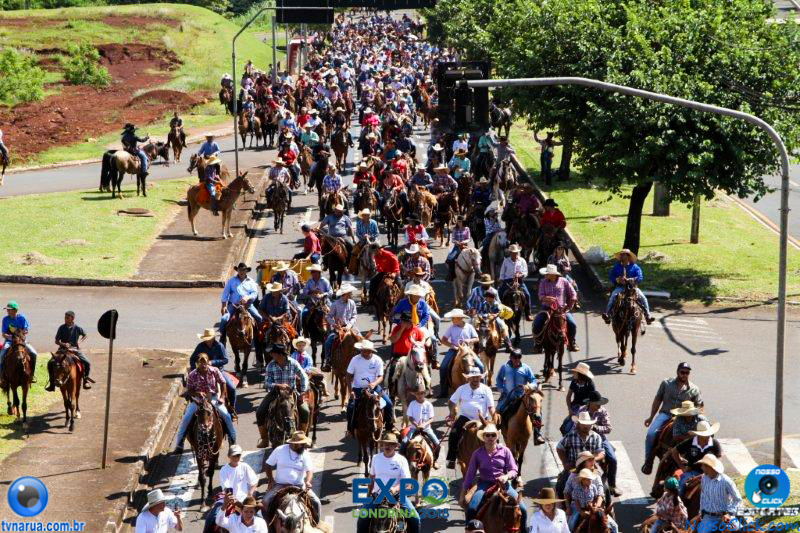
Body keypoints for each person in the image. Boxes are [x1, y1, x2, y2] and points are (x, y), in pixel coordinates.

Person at [642, 362, 703, 474]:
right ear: (677, 372)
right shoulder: (666, 383)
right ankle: (648, 461)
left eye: (687, 373)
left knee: (698, 437)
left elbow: (699, 407)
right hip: (666, 414)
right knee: (651, 434)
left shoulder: (694, 389)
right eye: (682, 372)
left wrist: (700, 422)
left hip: (684, 416)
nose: (684, 375)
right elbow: (658, 399)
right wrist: (651, 417)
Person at [461, 423, 527, 525]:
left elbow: (514, 469)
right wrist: (463, 492)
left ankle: (523, 531)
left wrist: (506, 476)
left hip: (504, 485)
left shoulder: (505, 451)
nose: (490, 437)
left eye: (493, 435)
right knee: (472, 508)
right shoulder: (477, 454)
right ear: (483, 437)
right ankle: (469, 530)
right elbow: (470, 474)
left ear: (497, 436)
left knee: (523, 508)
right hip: (484, 485)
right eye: (487, 435)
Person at [356, 432, 419, 533]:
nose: (387, 446)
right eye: (385, 444)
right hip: (377, 496)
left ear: (395, 446)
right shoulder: (376, 458)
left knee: (415, 519)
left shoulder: (401, 460)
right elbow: (372, 477)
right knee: (362, 519)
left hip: (397, 496)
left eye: (390, 444)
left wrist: (395, 489)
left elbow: (407, 482)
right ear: (382, 445)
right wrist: (369, 494)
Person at [174, 354, 236, 454]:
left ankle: (232, 440)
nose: (203, 365)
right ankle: (179, 443)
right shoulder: (192, 375)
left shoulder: (214, 371)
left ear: (207, 362)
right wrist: (197, 393)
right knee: (186, 418)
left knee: (227, 416)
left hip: (213, 399)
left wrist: (222, 397)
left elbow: (223, 382)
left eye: (205, 363)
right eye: (201, 363)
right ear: (197, 364)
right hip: (198, 401)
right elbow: (189, 390)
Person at [256, 343, 309, 448]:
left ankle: (302, 437)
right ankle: (264, 439)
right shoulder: (271, 365)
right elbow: (266, 383)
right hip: (275, 393)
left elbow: (304, 377)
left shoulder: (293, 363)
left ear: (280, 354)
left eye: (273, 353)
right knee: (260, 412)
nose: (271, 355)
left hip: (291, 393)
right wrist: (277, 385)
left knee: (305, 411)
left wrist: (302, 392)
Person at [262, 431, 321, 522]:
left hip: (299, 485)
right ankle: (267, 526)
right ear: (293, 443)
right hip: (280, 485)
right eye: (300, 444)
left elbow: (309, 470)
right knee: (265, 502)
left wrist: (308, 481)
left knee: (316, 502)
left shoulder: (304, 454)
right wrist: (271, 480)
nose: (302, 446)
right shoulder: (280, 450)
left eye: (303, 444)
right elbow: (268, 465)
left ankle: (316, 524)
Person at [446, 367, 495, 469]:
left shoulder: (486, 389)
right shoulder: (462, 389)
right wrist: (452, 412)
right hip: (465, 417)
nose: (475, 380)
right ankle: (452, 458)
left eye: (477, 377)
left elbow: (491, 407)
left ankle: (496, 458)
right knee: (454, 433)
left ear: (480, 378)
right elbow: (451, 402)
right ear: (469, 378)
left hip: (482, 419)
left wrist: (494, 415)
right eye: (473, 378)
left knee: (493, 435)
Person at [577, 391, 621, 496]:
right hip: (584, 439)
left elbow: (608, 428)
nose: (599, 406)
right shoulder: (582, 411)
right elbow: (576, 426)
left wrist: (595, 428)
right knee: (575, 458)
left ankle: (612, 485)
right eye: (597, 404)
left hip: (601, 439)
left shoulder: (602, 411)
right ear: (591, 403)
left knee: (613, 459)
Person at [346, 339, 395, 434]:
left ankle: (389, 427)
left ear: (371, 351)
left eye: (366, 351)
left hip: (374, 387)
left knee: (388, 403)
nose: (364, 353)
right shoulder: (355, 359)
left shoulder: (377, 360)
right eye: (363, 350)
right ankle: (350, 428)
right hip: (358, 388)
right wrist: (350, 390)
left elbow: (381, 377)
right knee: (351, 407)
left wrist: (374, 383)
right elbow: (348, 376)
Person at [495, 349, 543, 444]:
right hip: (508, 396)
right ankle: (495, 434)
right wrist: (501, 389)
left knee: (537, 412)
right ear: (510, 357)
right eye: (514, 357)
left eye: (519, 357)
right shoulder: (504, 367)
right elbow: (499, 379)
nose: (517, 359)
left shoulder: (525, 368)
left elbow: (534, 380)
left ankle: (537, 435)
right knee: (498, 411)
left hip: (522, 396)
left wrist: (529, 386)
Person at [555, 411, 604, 498]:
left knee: (603, 487)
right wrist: (565, 462)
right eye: (584, 425)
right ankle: (563, 506)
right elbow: (560, 448)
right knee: (561, 487)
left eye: (588, 425)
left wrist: (592, 460)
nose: (586, 427)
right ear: (579, 424)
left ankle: (605, 505)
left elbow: (601, 453)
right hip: (574, 466)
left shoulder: (596, 437)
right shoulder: (570, 435)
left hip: (591, 467)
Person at [438, 309, 485, 398]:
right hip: (455, 349)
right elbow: (443, 340)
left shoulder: (469, 327)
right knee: (443, 367)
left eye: (453, 318)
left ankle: (483, 387)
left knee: (480, 366)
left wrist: (469, 340)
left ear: (459, 318)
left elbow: (477, 338)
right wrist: (452, 346)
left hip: (468, 350)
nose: (452, 320)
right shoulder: (451, 328)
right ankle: (444, 390)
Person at [533, 264, 579, 353]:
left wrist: (571, 303)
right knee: (537, 323)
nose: (546, 275)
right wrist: (546, 298)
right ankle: (538, 343)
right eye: (547, 274)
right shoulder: (543, 282)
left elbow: (573, 293)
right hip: (547, 308)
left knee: (572, 324)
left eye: (548, 274)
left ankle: (572, 342)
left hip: (561, 309)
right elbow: (540, 296)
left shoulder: (564, 281)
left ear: (554, 274)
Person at [601, 248, 655, 324]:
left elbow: (640, 277)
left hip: (632, 288)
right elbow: (611, 276)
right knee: (613, 296)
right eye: (621, 255)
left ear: (628, 256)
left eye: (623, 255)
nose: (621, 256)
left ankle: (647, 316)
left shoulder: (635, 267)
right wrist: (617, 280)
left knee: (643, 298)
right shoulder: (616, 267)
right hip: (620, 288)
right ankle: (608, 315)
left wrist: (632, 279)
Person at [188, 328, 236, 412]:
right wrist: (193, 369)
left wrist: (212, 362)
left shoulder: (219, 346)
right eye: (206, 339)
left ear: (213, 338)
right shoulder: (200, 346)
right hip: (201, 371)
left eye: (209, 339)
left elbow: (225, 360)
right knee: (188, 390)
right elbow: (192, 359)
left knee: (231, 388)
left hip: (218, 371)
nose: (208, 341)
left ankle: (232, 408)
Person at [46, 310, 93, 391]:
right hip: (62, 349)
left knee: (87, 363)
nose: (65, 319)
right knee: (50, 363)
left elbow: (85, 335)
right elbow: (56, 341)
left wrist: (79, 342)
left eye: (67, 317)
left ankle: (85, 381)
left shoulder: (77, 328)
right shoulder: (61, 328)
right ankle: (52, 383)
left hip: (74, 349)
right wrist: (64, 344)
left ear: (72, 318)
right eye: (65, 317)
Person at [671, 420, 722, 495]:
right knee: (681, 486)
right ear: (698, 435)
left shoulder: (715, 444)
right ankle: (678, 503)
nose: (707, 437)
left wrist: (712, 472)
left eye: (708, 434)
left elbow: (718, 460)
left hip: (711, 473)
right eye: (704, 435)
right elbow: (675, 452)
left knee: (722, 488)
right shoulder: (690, 442)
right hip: (693, 472)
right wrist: (682, 468)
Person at [219, 263, 263, 348]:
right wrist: (224, 305)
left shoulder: (251, 281)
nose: (241, 272)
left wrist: (248, 297)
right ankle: (222, 338)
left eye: (243, 270)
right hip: (234, 305)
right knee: (224, 319)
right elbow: (225, 293)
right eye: (240, 270)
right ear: (237, 270)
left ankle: (260, 337)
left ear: (246, 271)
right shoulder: (231, 281)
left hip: (247, 305)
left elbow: (255, 293)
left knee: (259, 317)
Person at [696, 454, 742, 532]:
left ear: (709, 467)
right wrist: (701, 511)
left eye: (703, 465)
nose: (701, 467)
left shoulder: (726, 481)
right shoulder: (704, 478)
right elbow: (703, 496)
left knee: (740, 530)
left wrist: (729, 513)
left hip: (725, 516)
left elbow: (738, 499)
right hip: (709, 517)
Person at [321, 284, 358, 372]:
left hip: (350, 328)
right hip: (338, 328)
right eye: (350, 293)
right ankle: (328, 361)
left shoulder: (352, 303)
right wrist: (334, 325)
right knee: (328, 342)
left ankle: (361, 361)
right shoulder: (335, 304)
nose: (351, 294)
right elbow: (329, 316)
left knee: (361, 340)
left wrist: (348, 326)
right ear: (345, 294)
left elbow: (354, 316)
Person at [0, 301, 38, 386]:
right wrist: (11, 338)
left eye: (9, 309)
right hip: (10, 341)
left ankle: (32, 375)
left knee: (34, 353)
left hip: (22, 341)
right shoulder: (5, 319)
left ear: (15, 310)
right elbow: (3, 334)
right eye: (7, 309)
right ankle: (1, 376)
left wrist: (20, 336)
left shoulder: (22, 318)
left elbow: (26, 330)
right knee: (1, 354)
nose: (7, 311)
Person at [401, 386, 440, 467]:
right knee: (404, 442)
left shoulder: (428, 404)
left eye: (422, 393)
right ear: (415, 395)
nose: (420, 395)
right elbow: (410, 418)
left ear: (424, 394)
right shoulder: (412, 404)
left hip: (426, 429)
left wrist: (424, 424)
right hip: (414, 428)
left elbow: (431, 418)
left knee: (437, 444)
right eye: (418, 394)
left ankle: (435, 460)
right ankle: (403, 460)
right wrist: (416, 425)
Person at [498, 244, 533, 321]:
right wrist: (501, 280)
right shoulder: (506, 261)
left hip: (519, 280)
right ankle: (501, 311)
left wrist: (520, 275)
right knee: (500, 292)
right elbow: (502, 272)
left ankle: (528, 313)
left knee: (527, 294)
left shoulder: (522, 260)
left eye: (516, 252)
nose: (515, 254)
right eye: (513, 253)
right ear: (510, 253)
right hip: (508, 281)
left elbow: (525, 272)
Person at [562, 363, 596, 433]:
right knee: (566, 426)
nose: (574, 373)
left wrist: (584, 409)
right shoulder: (574, 382)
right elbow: (568, 396)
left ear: (580, 374)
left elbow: (593, 400)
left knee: (574, 427)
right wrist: (570, 409)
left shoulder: (590, 384)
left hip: (586, 409)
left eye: (575, 372)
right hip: (575, 407)